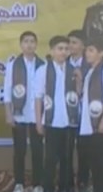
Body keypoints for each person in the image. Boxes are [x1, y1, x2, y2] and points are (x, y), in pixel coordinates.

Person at [35, 35, 80, 192]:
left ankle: (66, 188)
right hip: (51, 122)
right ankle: (47, 188)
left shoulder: (73, 70)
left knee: (67, 158)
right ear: (52, 51)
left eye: (66, 49)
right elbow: (38, 97)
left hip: (69, 121)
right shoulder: (43, 70)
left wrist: (79, 80)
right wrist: (38, 122)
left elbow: (79, 95)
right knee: (50, 159)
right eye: (60, 49)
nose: (63, 52)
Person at [2, 31, 45, 192]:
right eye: (26, 41)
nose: (29, 44)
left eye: (32, 41)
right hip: (19, 113)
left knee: (37, 150)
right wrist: (8, 113)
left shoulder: (43, 64)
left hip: (37, 114)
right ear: (21, 45)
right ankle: (19, 182)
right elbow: (7, 90)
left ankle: (38, 183)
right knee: (19, 150)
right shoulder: (13, 64)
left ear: (36, 44)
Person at [78, 39, 103, 192]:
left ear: (101, 53)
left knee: (102, 163)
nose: (87, 53)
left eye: (91, 50)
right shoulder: (90, 72)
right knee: (94, 163)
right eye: (87, 50)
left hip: (100, 125)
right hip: (88, 126)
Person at [67, 29, 89, 192]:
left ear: (83, 46)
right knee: (66, 149)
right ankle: (66, 182)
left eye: (74, 42)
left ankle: (83, 181)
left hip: (86, 115)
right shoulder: (62, 62)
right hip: (66, 114)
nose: (70, 46)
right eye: (69, 42)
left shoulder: (91, 64)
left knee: (84, 149)